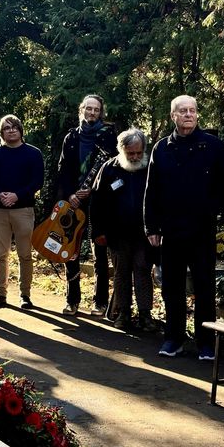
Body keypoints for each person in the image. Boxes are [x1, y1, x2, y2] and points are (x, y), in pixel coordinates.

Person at [143, 95, 224, 360]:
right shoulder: (162, 148)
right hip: (170, 231)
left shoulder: (213, 146)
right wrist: (151, 226)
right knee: (172, 287)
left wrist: (212, 209)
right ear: (173, 116)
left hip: (202, 230)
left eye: (192, 110)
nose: (188, 115)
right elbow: (152, 191)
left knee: (205, 287)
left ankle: (205, 342)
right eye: (182, 111)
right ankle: (174, 339)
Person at [55, 94, 118, 316]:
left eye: (96, 110)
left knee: (99, 251)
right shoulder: (71, 137)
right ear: (81, 110)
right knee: (69, 250)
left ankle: (100, 302)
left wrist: (94, 188)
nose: (92, 113)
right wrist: (68, 196)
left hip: (99, 201)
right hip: (73, 201)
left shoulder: (109, 135)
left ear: (101, 113)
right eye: (88, 109)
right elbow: (63, 171)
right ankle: (72, 299)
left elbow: (115, 168)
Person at [90, 127, 153, 330]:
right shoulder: (109, 169)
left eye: (138, 153)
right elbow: (96, 202)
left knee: (143, 271)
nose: (135, 157)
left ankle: (145, 315)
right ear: (122, 150)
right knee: (121, 272)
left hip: (144, 233)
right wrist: (97, 231)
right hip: (117, 234)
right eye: (130, 153)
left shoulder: (150, 167)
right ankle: (123, 313)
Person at [0, 114, 44, 309]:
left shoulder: (33, 153)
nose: (11, 130)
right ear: (2, 133)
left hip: (23, 209)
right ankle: (1, 294)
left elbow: (37, 181)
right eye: (7, 128)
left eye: (14, 127)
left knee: (25, 254)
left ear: (21, 130)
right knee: (1, 254)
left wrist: (17, 195)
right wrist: (0, 194)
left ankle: (25, 295)